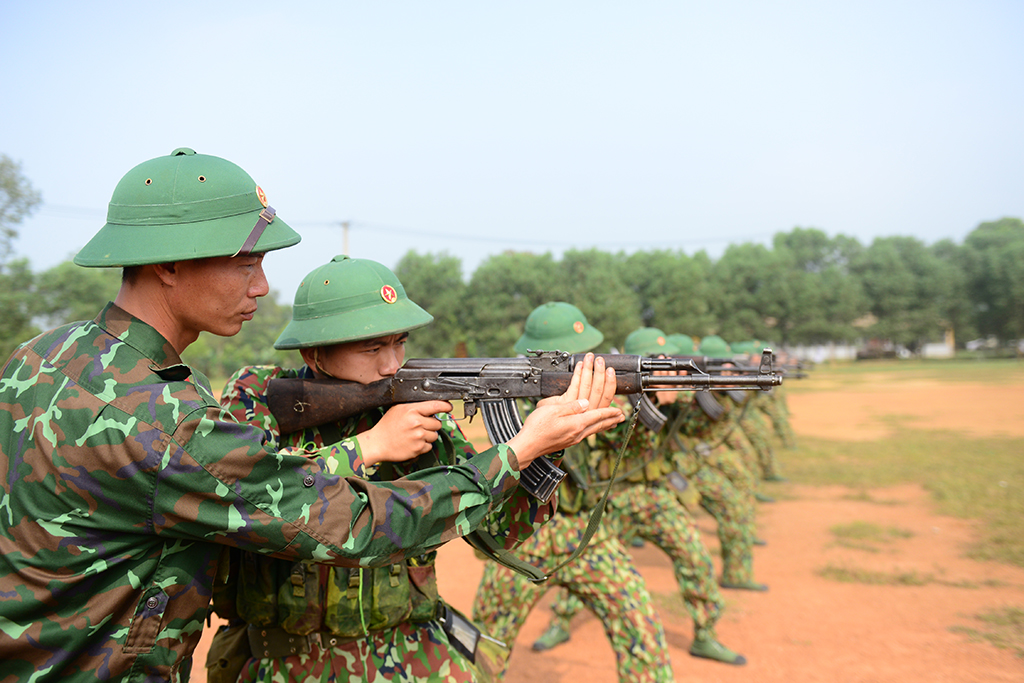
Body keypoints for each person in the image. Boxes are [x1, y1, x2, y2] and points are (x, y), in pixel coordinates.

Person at [0, 148, 622, 683]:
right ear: (169, 264)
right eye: (247, 263)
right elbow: (349, 522)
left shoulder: (38, 359)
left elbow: (497, 534)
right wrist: (512, 449)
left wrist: (545, 448)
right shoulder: (172, 422)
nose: (263, 286)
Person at [210, 261, 619, 683]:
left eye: (400, 342)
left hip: (412, 656)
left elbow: (495, 534)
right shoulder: (255, 395)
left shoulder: (420, 410)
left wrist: (540, 450)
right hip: (289, 664)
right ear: (313, 352)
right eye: (372, 348)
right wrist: (372, 445)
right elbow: (246, 499)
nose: (392, 364)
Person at [470, 303, 673, 683]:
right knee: (483, 651)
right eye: (583, 355)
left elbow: (628, 451)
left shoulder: (599, 399)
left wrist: (653, 401)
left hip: (587, 534)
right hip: (522, 542)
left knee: (640, 629)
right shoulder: (515, 399)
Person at [522, 327, 748, 666]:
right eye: (660, 362)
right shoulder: (614, 397)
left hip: (655, 497)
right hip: (616, 500)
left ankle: (706, 633)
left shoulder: (673, 392)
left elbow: (697, 419)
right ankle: (561, 622)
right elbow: (615, 433)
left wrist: (710, 389)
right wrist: (647, 402)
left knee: (694, 555)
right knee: (589, 567)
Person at [667, 333, 767, 591]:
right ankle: (563, 616)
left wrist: (720, 388)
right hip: (667, 467)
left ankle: (736, 572)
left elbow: (709, 420)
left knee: (735, 503)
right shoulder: (650, 390)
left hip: (686, 459)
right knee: (600, 549)